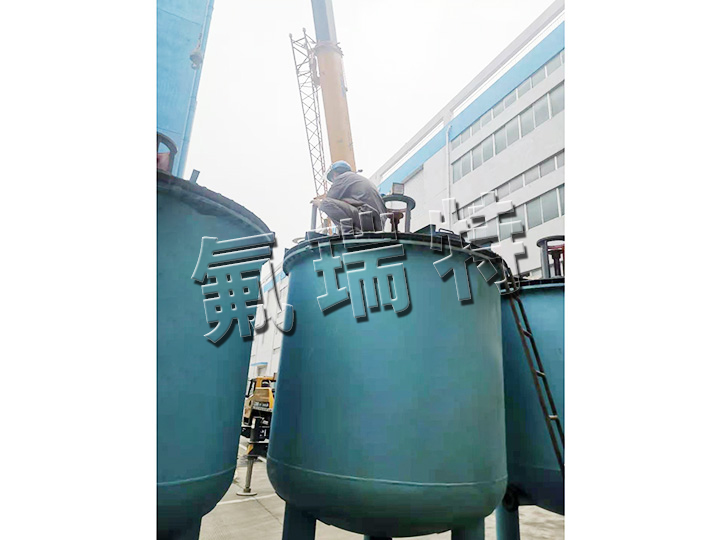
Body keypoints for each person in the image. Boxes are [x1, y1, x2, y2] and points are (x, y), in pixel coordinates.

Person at [312, 161, 387, 234]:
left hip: (367, 219)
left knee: (325, 204)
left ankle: (349, 233)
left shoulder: (342, 178)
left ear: (334, 174)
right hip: (378, 224)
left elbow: (329, 199)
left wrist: (318, 202)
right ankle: (353, 231)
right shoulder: (355, 179)